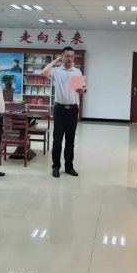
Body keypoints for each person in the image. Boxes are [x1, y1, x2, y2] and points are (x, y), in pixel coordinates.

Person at [41, 47, 87, 178]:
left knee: (70, 140)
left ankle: (69, 167)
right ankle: (56, 167)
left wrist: (83, 90)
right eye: (67, 56)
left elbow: (83, 88)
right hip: (60, 109)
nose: (70, 59)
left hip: (73, 110)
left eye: (72, 56)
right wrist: (55, 61)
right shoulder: (56, 71)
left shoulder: (77, 71)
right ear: (62, 57)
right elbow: (44, 73)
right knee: (57, 140)